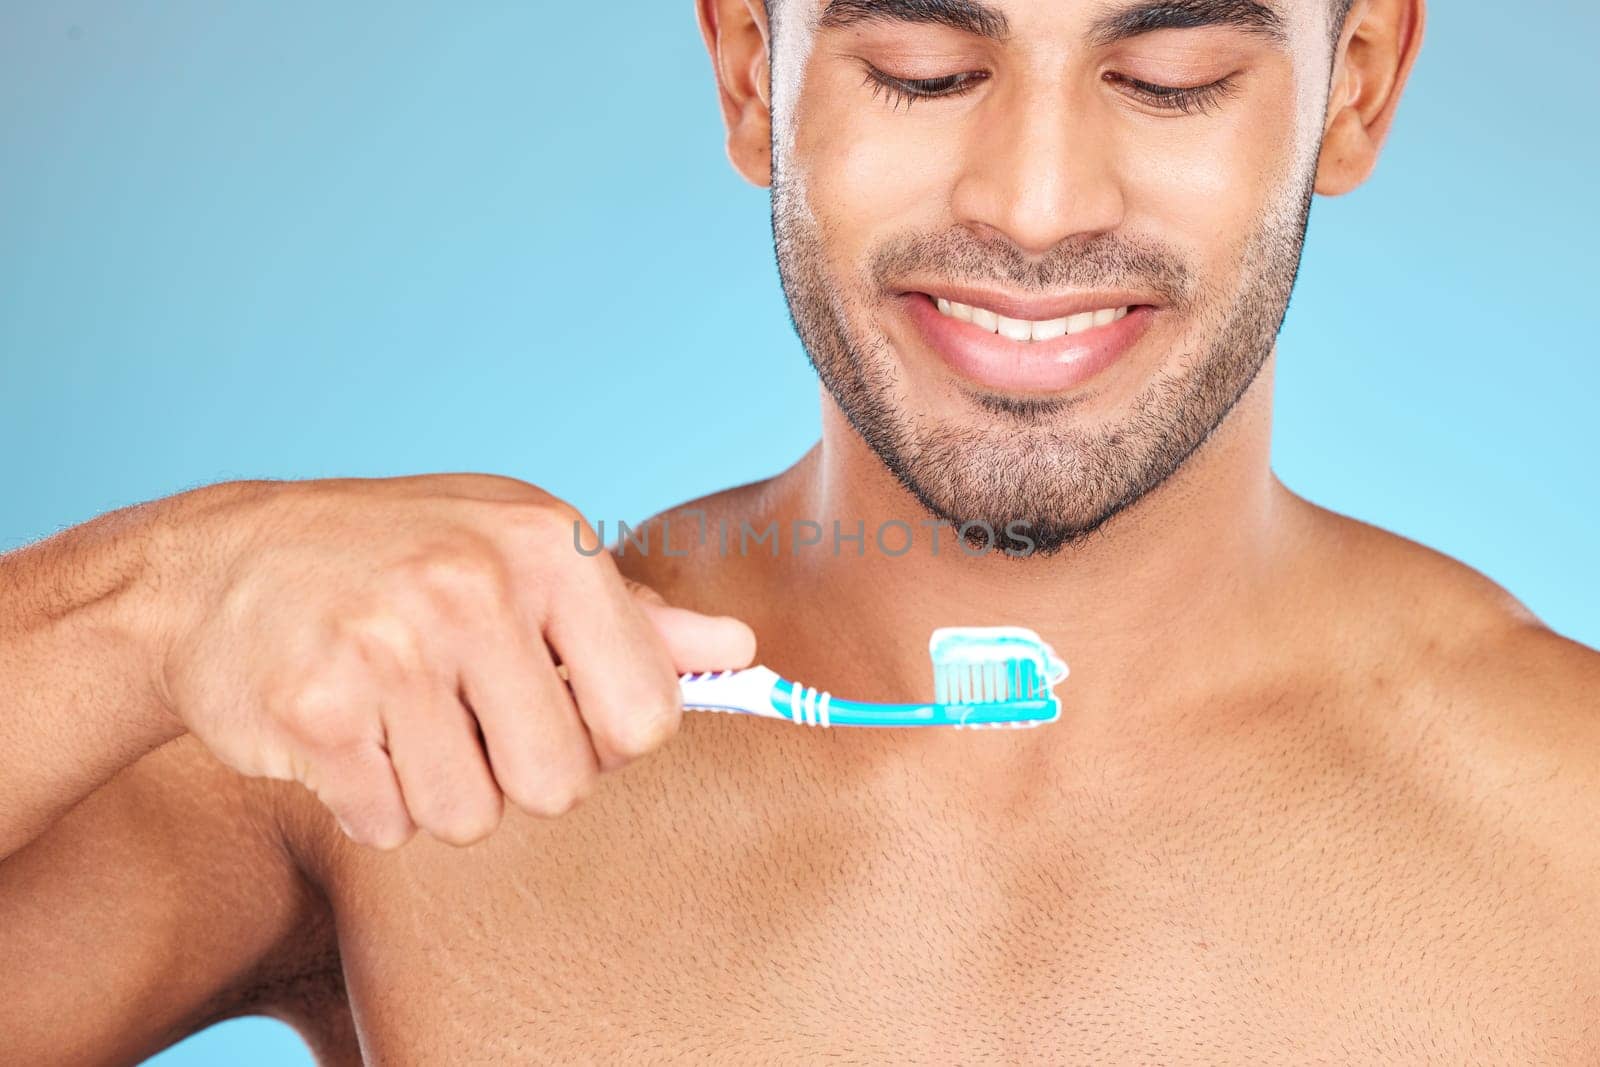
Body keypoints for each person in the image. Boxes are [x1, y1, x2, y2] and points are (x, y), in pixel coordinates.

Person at [4, 0, 1597, 1061]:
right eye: (920, 62)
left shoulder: (1571, 830)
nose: (1036, 205)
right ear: (752, 74)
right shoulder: (397, 743)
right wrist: (154, 604)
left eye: (1168, 76)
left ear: (1358, 84)